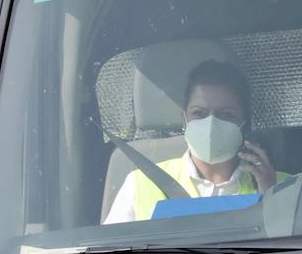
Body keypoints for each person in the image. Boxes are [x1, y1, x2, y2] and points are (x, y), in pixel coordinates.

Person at [105, 60, 286, 224]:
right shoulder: (140, 184)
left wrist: (272, 197)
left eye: (226, 115)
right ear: (184, 119)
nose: (211, 124)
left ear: (244, 122)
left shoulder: (284, 185)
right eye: (199, 113)